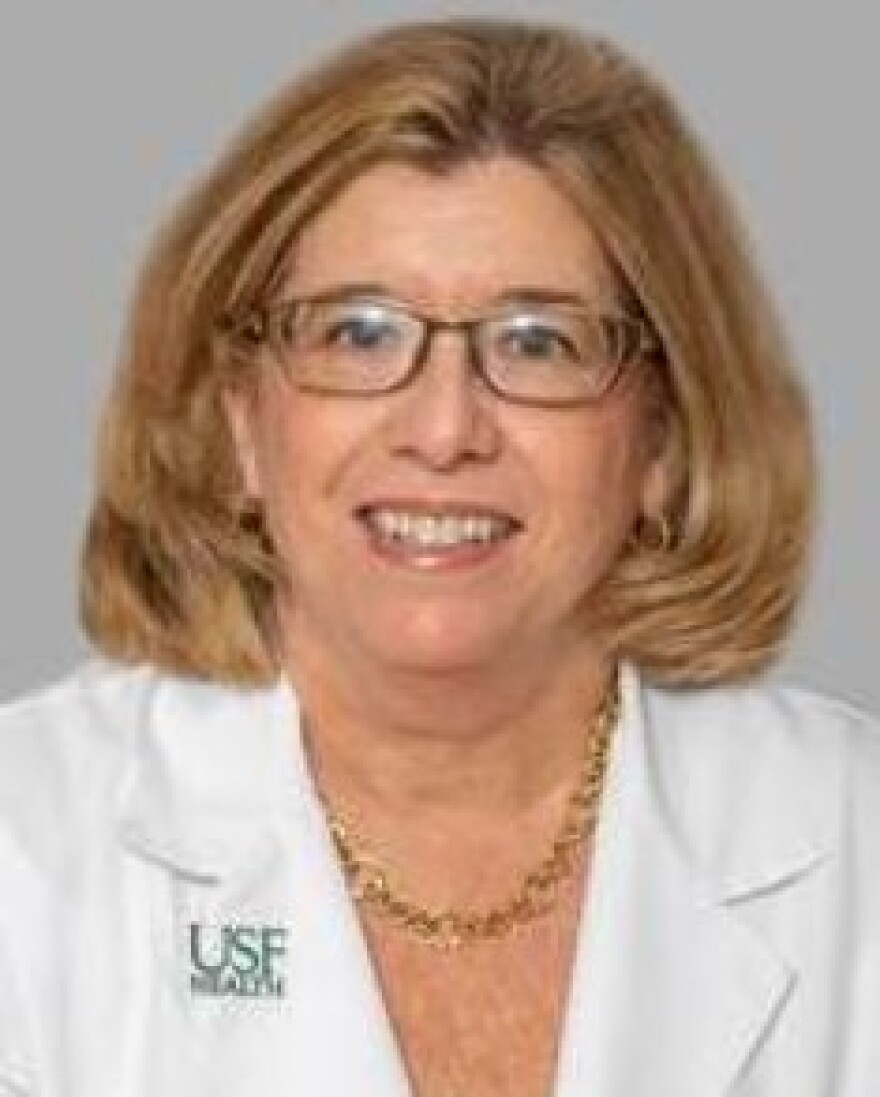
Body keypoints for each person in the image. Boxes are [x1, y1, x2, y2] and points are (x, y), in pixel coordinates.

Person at [0, 16, 877, 1097]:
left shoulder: (855, 842)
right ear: (239, 423)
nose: (444, 426)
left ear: (663, 438)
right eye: (358, 333)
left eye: (538, 341)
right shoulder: (26, 849)